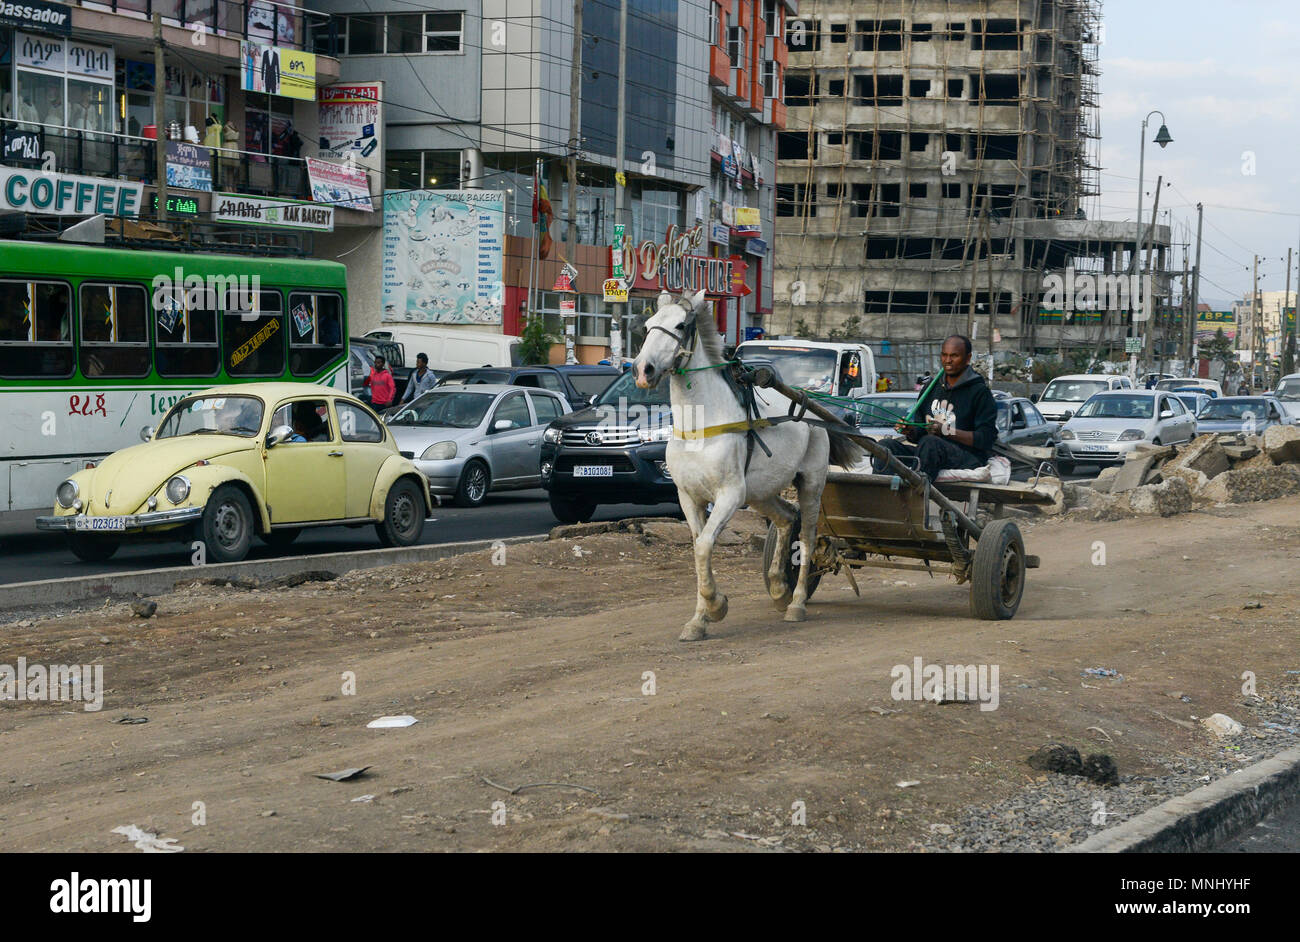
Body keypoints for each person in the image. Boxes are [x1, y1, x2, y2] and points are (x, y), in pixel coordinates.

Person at [871, 335, 998, 482]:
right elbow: (920, 433)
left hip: (967, 456)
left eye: (954, 356)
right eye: (944, 355)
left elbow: (986, 439)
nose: (948, 361)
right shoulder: (931, 388)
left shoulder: (979, 392)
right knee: (885, 447)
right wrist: (910, 430)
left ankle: (915, 494)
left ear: (968, 358)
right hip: (928, 454)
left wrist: (947, 431)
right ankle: (880, 496)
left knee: (930, 442)